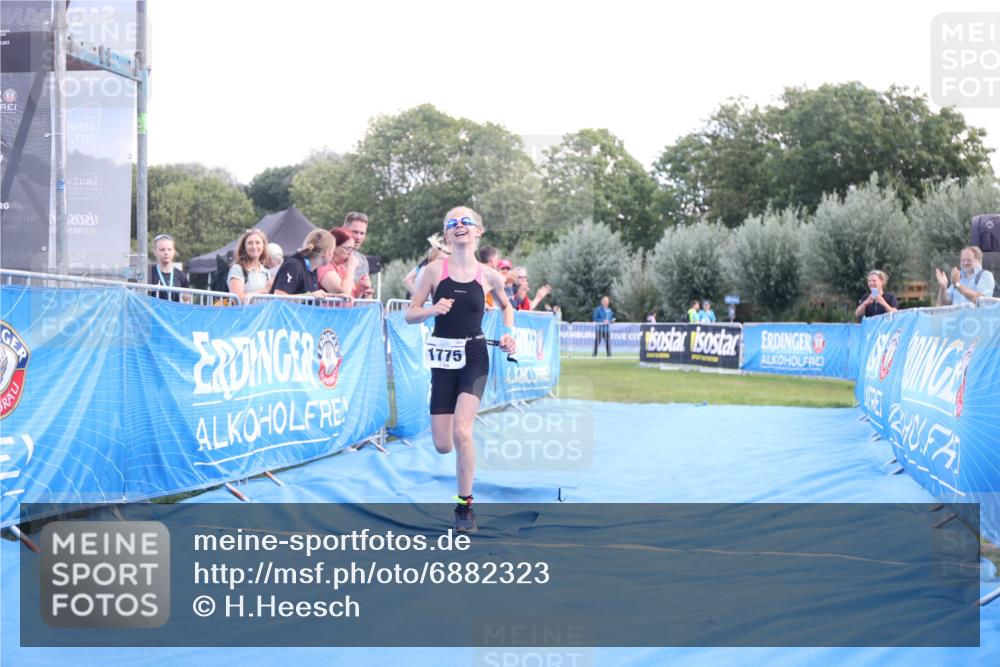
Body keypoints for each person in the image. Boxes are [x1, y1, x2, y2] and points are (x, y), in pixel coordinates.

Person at [405, 206, 516, 533]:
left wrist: (510, 332)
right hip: (442, 357)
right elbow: (409, 314)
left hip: (475, 355)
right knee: (443, 444)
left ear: (478, 230)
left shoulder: (489, 275)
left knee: (462, 430)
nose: (459, 226)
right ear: (447, 234)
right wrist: (430, 309)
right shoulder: (433, 272)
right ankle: (459, 447)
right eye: (452, 223)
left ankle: (464, 506)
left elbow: (507, 307)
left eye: (466, 221)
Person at [270, 229, 335, 298]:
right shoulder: (293, 265)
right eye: (333, 251)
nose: (333, 254)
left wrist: (334, 296)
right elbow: (279, 296)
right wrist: (309, 296)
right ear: (326, 252)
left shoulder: (312, 269)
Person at [228, 229, 273, 303]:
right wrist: (264, 290)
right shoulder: (237, 269)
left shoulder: (266, 272)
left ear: (263, 246)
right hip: (244, 314)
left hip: (263, 314)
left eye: (258, 243)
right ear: (244, 247)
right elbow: (237, 300)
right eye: (250, 243)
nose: (254, 246)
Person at [318, 228, 360, 297]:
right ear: (334, 247)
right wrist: (351, 267)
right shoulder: (324, 267)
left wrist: (362, 289)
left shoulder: (341, 267)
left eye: (352, 249)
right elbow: (344, 293)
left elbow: (351, 295)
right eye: (347, 248)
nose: (350, 253)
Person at [149, 233, 190, 303]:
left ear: (174, 251)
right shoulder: (149, 274)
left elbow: (187, 301)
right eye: (162, 250)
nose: (166, 252)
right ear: (155, 252)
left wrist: (186, 299)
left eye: (169, 249)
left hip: (174, 313)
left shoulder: (182, 276)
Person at [344, 212, 374, 299]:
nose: (358, 237)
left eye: (362, 233)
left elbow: (366, 295)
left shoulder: (363, 260)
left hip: (357, 310)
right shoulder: (331, 255)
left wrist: (368, 291)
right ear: (344, 229)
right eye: (355, 232)